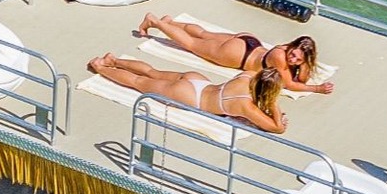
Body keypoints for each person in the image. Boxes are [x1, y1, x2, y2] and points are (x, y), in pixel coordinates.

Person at [87, 54, 289, 135]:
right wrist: (273, 103)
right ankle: (100, 68)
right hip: (191, 97)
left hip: (199, 81)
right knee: (138, 83)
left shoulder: (248, 75)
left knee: (152, 72)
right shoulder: (245, 105)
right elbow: (277, 127)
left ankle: (113, 60)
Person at [135, 14, 332, 95]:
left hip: (249, 41)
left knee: (204, 34)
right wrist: (317, 88)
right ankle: (155, 22)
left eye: (298, 59)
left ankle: (170, 22)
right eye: (293, 54)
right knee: (192, 43)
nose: (292, 59)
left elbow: (302, 76)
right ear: (292, 47)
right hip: (238, 55)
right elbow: (291, 84)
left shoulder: (285, 48)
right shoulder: (280, 57)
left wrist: (304, 64)